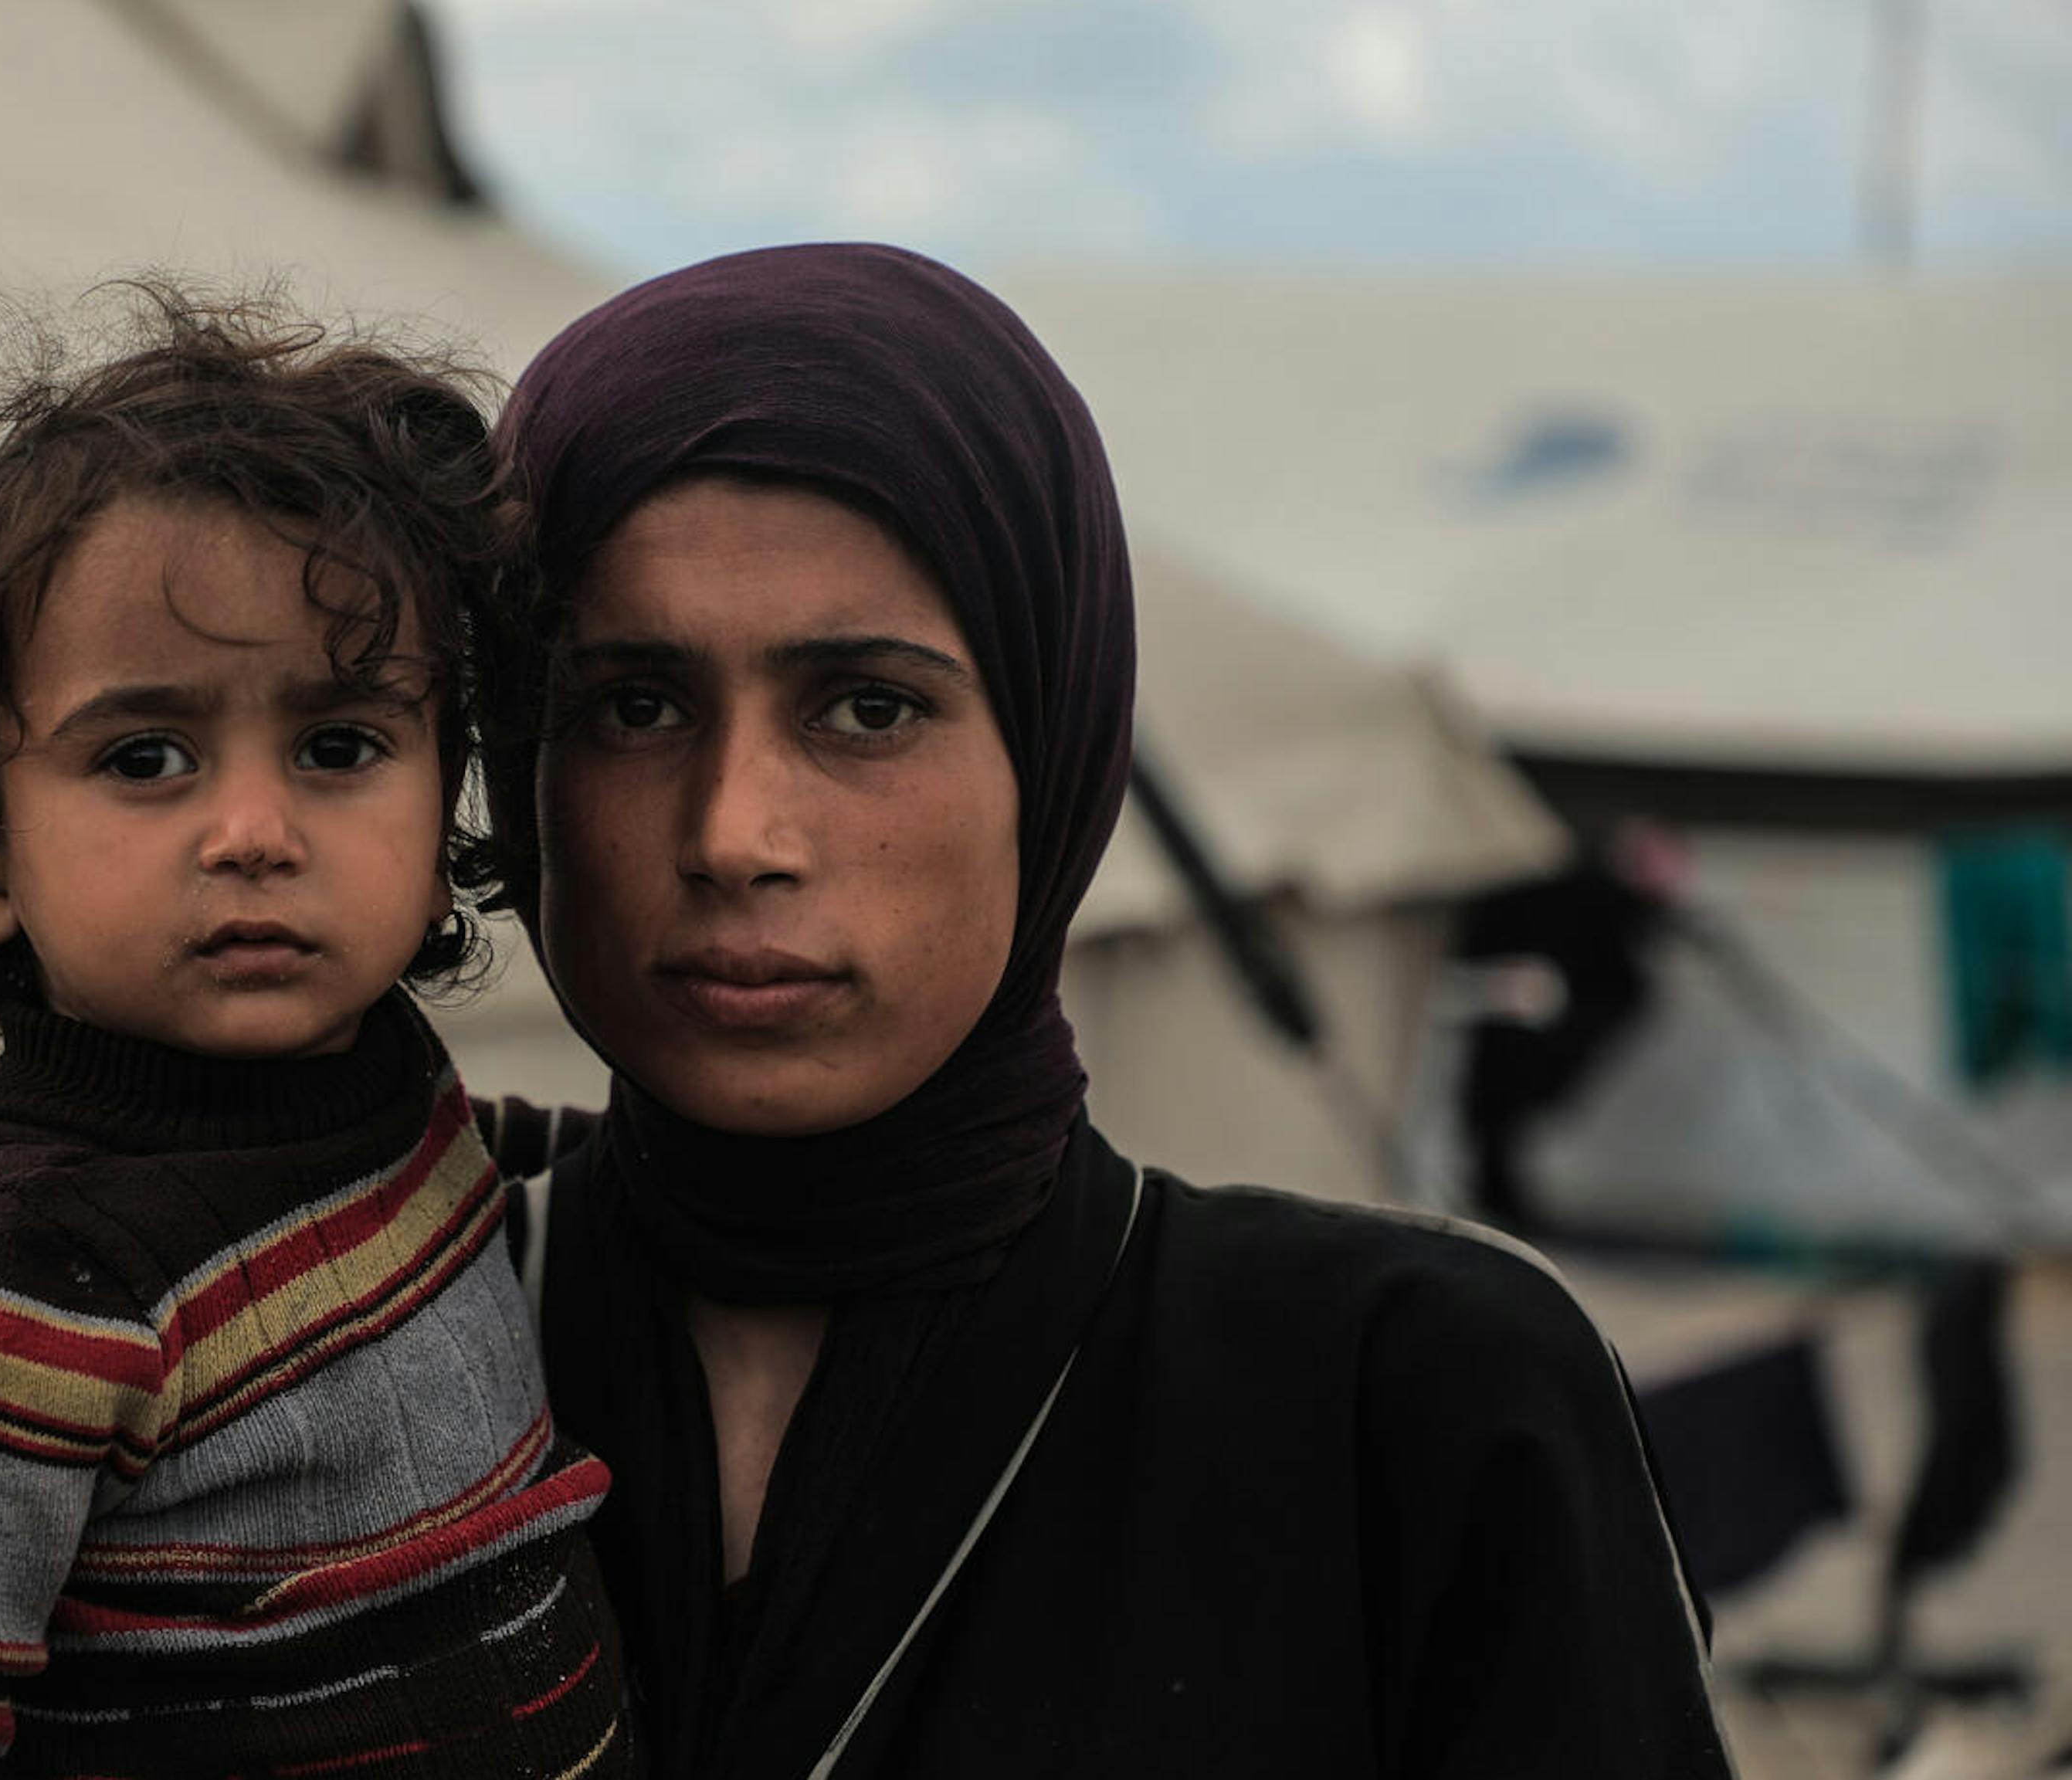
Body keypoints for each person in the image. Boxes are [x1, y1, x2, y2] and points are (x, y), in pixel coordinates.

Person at [468, 244, 1733, 1777]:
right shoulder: (332, 1356)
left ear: (1056, 749)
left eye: (868, 706)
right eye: (634, 705)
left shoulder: (1401, 1407)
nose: (736, 832)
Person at [0, 285, 628, 1778]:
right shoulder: (14, 1282)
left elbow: (521, 1183)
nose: (256, 831)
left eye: (341, 747)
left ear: (445, 781)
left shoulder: (384, 1082)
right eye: (146, 756)